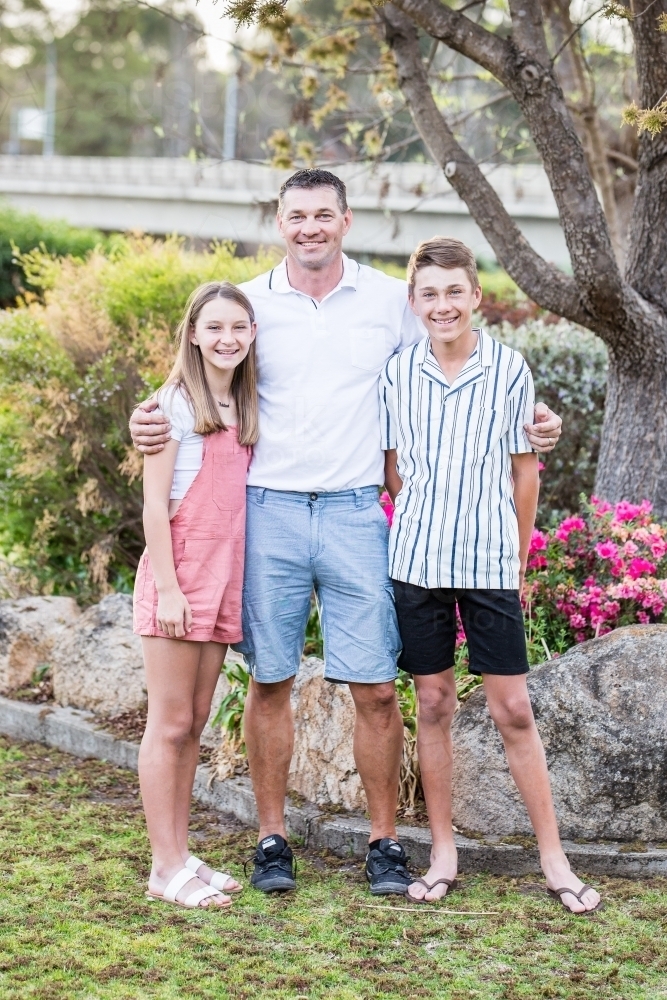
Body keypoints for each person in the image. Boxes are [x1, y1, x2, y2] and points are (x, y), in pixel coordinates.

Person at [129, 169, 564, 896]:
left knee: (374, 690)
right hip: (267, 510)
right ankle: (271, 838)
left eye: (322, 215)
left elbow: (451, 353)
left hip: (356, 513)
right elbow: (198, 374)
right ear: (278, 222)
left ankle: (384, 842)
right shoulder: (251, 303)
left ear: (345, 220)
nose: (310, 228)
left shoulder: (389, 302)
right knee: (269, 680)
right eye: (296, 215)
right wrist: (147, 416)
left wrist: (534, 419)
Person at [381, 237, 601, 914]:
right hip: (416, 563)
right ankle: (442, 851)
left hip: (487, 565)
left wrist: (514, 555)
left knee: (512, 710)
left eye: (454, 291)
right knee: (435, 704)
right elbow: (393, 470)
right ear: (414, 302)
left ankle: (553, 859)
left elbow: (522, 474)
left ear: (475, 296)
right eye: (429, 293)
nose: (441, 304)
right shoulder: (396, 373)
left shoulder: (508, 372)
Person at [135, 281, 258, 909]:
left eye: (239, 327)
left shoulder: (242, 403)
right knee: (171, 723)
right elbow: (156, 507)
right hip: (178, 576)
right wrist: (171, 590)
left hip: (223, 576)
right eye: (214, 328)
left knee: (197, 722)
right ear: (193, 333)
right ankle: (163, 866)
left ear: (252, 335)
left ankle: (182, 854)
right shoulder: (174, 406)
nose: (227, 339)